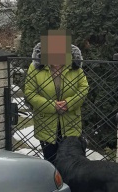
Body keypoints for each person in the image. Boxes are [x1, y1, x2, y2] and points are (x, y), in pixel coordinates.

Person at [24, 29, 89, 164]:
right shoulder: (35, 68)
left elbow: (84, 88)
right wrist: (52, 105)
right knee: (51, 161)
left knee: (72, 163)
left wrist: (68, 103)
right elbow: (30, 92)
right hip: (46, 123)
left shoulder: (75, 66)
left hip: (71, 122)